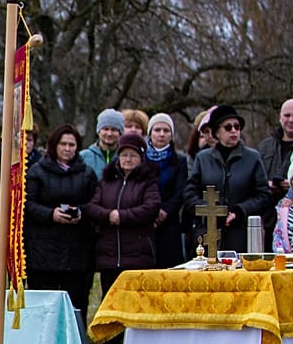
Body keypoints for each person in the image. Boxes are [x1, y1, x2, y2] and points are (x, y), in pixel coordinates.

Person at [23, 125, 99, 320]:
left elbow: (95, 203)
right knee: (43, 308)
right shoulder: (36, 172)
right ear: (54, 145)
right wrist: (51, 214)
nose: (67, 149)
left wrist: (81, 212)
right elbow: (28, 204)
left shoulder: (87, 174)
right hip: (42, 252)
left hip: (77, 252)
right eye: (63, 144)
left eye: (72, 145)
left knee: (75, 305)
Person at [184, 105, 273, 254]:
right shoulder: (203, 159)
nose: (233, 131)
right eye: (228, 127)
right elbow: (190, 194)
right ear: (217, 132)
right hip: (208, 234)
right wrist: (212, 211)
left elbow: (263, 195)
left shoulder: (253, 158)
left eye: (237, 127)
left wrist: (240, 211)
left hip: (241, 234)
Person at [84, 133, 161, 301]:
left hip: (138, 256)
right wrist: (109, 215)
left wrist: (122, 216)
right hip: (109, 257)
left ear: (141, 158)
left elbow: (151, 208)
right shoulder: (107, 181)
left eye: (133, 155)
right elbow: (92, 207)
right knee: (110, 301)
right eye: (124, 155)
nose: (128, 159)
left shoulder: (148, 181)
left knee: (136, 302)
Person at [144, 113, 189, 267]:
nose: (162, 134)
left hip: (170, 222)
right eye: (157, 130)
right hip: (146, 221)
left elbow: (180, 192)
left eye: (166, 130)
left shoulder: (180, 160)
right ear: (150, 133)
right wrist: (151, 211)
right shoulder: (141, 159)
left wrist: (164, 212)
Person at [80, 108, 124, 180]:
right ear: (98, 131)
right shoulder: (83, 157)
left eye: (114, 129)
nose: (109, 134)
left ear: (120, 133)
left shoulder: (126, 157)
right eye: (105, 129)